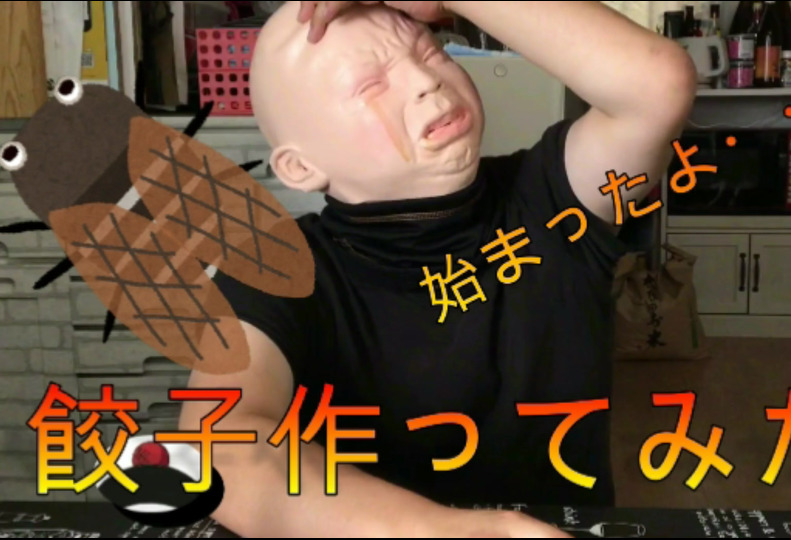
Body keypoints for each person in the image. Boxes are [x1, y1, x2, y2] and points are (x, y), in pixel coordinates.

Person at [178, 1, 697, 537]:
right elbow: (218, 445)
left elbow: (656, 86)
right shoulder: (272, 269)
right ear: (301, 166)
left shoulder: (557, 201)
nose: (426, 80)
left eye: (431, 52)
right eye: (372, 84)